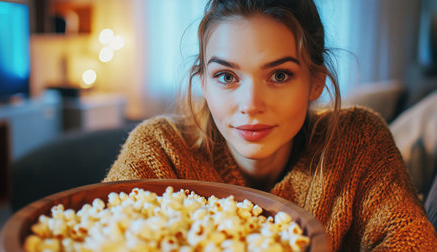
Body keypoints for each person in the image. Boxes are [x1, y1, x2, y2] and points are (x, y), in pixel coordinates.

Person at [104, 0, 437, 250]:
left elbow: (411, 241)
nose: (250, 104)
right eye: (226, 76)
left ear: (315, 81)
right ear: (203, 83)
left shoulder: (358, 139)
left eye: (279, 75)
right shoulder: (160, 149)